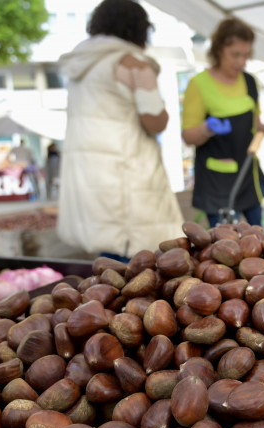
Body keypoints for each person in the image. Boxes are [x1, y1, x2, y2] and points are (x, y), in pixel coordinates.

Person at [57, 0, 183, 260]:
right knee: (139, 260)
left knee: (109, 258)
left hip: (92, 175)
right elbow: (154, 121)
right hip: (128, 175)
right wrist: (166, 111)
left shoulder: (83, 65)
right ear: (138, 29)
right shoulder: (133, 63)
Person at [181, 18, 264, 228]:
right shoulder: (199, 85)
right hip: (217, 182)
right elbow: (188, 136)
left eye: (246, 55)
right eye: (235, 55)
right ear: (218, 50)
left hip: (248, 175)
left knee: (260, 236)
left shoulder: (249, 81)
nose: (241, 62)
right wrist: (207, 128)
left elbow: (256, 125)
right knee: (223, 243)